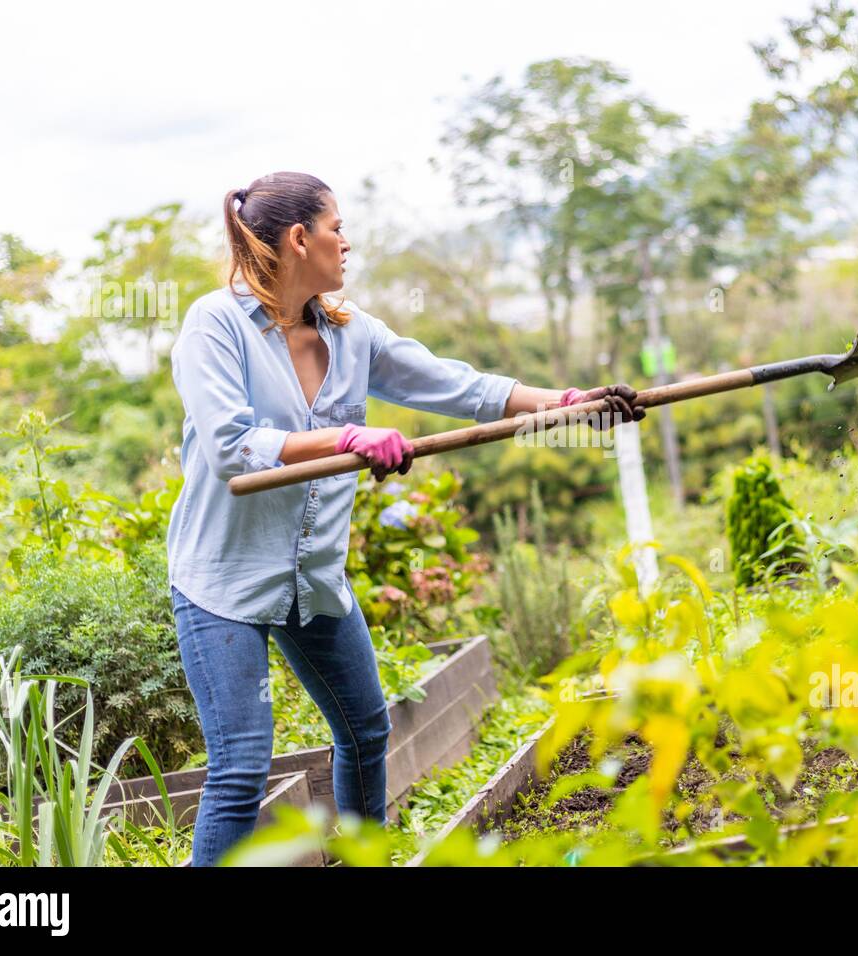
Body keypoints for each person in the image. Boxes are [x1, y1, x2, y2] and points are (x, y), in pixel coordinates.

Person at [166, 170, 645, 866]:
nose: (346, 241)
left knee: (364, 733)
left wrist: (565, 402)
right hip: (221, 582)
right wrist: (346, 439)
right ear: (300, 239)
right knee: (241, 766)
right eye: (336, 227)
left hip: (312, 578)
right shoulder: (215, 324)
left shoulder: (351, 331)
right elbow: (232, 448)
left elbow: (455, 384)